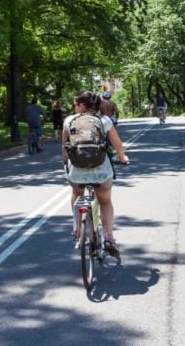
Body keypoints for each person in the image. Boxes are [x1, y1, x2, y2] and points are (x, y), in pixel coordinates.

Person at [62, 90, 129, 256]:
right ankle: (108, 236)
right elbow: (118, 145)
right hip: (101, 171)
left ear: (82, 106)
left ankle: (77, 229)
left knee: (77, 193)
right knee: (105, 201)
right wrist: (122, 157)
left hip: (77, 171)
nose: (74, 107)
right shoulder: (104, 120)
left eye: (75, 104)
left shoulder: (69, 121)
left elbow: (64, 148)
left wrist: (66, 164)